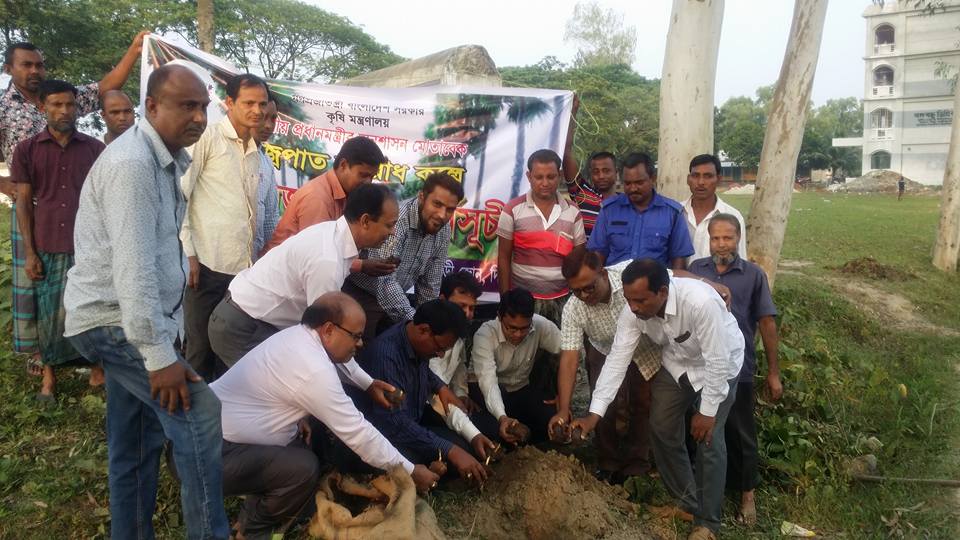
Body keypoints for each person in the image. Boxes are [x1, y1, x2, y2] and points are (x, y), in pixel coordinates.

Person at [64, 64, 229, 540]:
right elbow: (132, 269)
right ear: (151, 107)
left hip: (128, 319)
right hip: (113, 319)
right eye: (187, 106)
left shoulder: (164, 161)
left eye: (203, 107)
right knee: (199, 413)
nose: (198, 117)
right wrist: (159, 356)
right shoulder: (133, 165)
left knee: (136, 440)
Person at [211, 292, 440, 539]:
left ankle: (256, 510)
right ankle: (252, 530)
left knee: (303, 459)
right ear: (329, 329)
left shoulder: (299, 338)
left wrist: (297, 418)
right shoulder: (314, 369)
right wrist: (409, 470)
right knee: (303, 469)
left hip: (215, 434)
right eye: (356, 336)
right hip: (212, 451)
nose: (360, 344)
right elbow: (358, 433)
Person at [1, 34, 146, 377]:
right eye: (26, 65)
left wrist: (135, 49)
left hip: (79, 214)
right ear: (9, 69)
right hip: (33, 212)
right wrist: (9, 186)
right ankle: (43, 357)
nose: (34, 71)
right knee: (35, 288)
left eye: (39, 65)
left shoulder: (72, 105)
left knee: (86, 286)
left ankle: (94, 361)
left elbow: (108, 85)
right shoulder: (4, 109)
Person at [570, 259, 744, 540]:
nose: (633, 307)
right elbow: (616, 360)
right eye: (629, 300)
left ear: (663, 291)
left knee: (709, 440)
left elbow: (717, 359)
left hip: (720, 368)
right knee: (661, 428)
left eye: (640, 300)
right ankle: (688, 502)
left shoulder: (700, 303)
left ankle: (707, 523)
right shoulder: (632, 313)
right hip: (677, 366)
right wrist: (595, 414)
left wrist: (707, 412)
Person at [207, 183, 399, 367]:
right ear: (365, 221)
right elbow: (325, 337)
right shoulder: (327, 259)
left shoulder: (333, 237)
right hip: (244, 327)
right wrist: (366, 382)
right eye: (389, 225)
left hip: (249, 321)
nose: (393, 233)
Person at [12, 79, 106, 401]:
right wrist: (30, 252)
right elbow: (24, 203)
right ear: (43, 107)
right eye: (57, 104)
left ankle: (97, 369)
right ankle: (49, 378)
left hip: (87, 245)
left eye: (70, 104)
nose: (65, 110)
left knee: (90, 308)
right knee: (49, 313)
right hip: (48, 241)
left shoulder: (95, 149)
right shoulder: (26, 150)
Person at [688, 214, 782, 526]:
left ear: (738, 239)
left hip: (737, 368)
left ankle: (746, 494)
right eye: (715, 238)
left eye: (727, 238)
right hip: (699, 366)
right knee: (701, 429)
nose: (721, 244)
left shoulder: (753, 275)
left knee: (741, 432)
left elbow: (766, 322)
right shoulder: (696, 270)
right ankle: (702, 490)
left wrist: (773, 372)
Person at [180, 73, 269, 380]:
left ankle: (220, 409)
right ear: (229, 103)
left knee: (228, 350)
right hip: (206, 263)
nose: (257, 110)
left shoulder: (255, 149)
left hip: (241, 271)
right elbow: (181, 194)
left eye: (262, 104)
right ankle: (190, 409)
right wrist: (188, 252)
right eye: (249, 103)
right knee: (200, 350)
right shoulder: (208, 137)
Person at [349, 299, 494, 483]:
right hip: (379, 436)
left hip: (409, 420)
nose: (440, 355)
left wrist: (440, 386)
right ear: (424, 330)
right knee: (444, 457)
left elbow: (422, 370)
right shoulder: (386, 356)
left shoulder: (411, 335)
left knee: (462, 446)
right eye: (439, 348)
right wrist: (451, 451)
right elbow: (395, 423)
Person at [549, 251, 661, 482]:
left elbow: (671, 277)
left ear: (603, 274)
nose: (584, 295)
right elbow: (569, 359)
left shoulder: (629, 274)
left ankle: (636, 466)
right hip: (603, 349)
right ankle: (608, 463)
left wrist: (708, 284)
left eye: (589, 288)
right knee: (601, 406)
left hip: (644, 348)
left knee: (642, 404)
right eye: (576, 291)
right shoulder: (573, 308)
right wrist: (563, 409)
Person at [343, 171, 461, 339]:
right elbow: (384, 281)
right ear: (422, 197)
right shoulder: (398, 219)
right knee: (360, 350)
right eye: (437, 204)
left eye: (450, 209)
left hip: (399, 302)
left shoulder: (443, 229)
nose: (442, 215)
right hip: (362, 296)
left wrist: (428, 322)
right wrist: (416, 322)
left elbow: (430, 286)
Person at [496, 148, 587, 325]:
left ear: (560, 175)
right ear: (529, 177)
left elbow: (579, 255)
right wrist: (506, 301)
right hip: (523, 300)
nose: (545, 183)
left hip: (564, 299)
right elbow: (503, 258)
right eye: (539, 177)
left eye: (551, 177)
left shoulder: (573, 211)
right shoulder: (512, 210)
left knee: (562, 342)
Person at [264, 135, 387, 253]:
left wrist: (362, 263)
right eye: (363, 175)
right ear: (343, 165)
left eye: (372, 177)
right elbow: (317, 255)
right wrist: (361, 264)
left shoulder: (345, 193)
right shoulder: (317, 198)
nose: (368, 182)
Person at [471, 288, 562, 444]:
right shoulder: (485, 334)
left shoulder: (540, 325)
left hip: (521, 389)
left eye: (524, 328)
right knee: (494, 429)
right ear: (500, 317)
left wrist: (563, 396)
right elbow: (488, 383)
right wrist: (502, 417)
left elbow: (569, 352)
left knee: (552, 416)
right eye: (511, 328)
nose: (518, 334)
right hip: (485, 393)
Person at [587, 152, 693, 269]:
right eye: (628, 183)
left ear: (653, 179)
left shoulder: (672, 213)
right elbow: (598, 255)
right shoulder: (609, 210)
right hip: (614, 278)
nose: (633, 188)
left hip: (654, 279)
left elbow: (679, 261)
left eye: (639, 183)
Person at [428, 271, 498, 440]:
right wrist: (474, 436)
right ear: (442, 300)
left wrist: (461, 395)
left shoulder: (459, 335)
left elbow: (458, 367)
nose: (467, 313)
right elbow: (438, 395)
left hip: (449, 405)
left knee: (492, 428)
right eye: (461, 306)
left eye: (471, 308)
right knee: (466, 443)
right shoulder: (428, 337)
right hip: (428, 407)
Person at [561, 96, 620, 238]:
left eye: (606, 171)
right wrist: (572, 112)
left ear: (616, 172)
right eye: (596, 171)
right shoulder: (582, 193)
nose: (601, 176)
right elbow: (566, 151)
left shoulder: (628, 202)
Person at [682, 154, 746, 262]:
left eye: (708, 176)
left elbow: (740, 261)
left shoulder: (733, 216)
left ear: (719, 179)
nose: (701, 182)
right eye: (696, 176)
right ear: (688, 179)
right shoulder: (675, 213)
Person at [253, 98, 280, 261]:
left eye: (273, 118)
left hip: (252, 261)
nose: (269, 125)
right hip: (213, 263)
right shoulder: (221, 150)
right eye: (263, 117)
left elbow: (271, 217)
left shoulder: (266, 162)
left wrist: (270, 257)